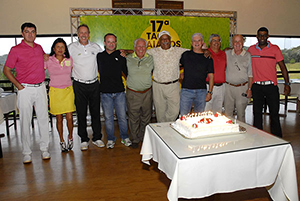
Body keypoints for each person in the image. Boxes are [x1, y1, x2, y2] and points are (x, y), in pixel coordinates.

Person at [3, 22, 50, 164]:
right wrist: (18, 85)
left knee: (43, 119)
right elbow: (6, 70)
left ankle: (44, 149)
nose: (30, 34)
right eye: (27, 31)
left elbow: (43, 58)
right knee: (25, 121)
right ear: (22, 33)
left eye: (33, 31)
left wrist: (46, 57)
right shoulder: (15, 49)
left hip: (41, 87)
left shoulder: (39, 48)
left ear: (36, 33)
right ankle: (26, 152)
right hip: (25, 89)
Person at [248, 27, 290, 137]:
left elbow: (283, 67)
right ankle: (257, 138)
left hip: (271, 87)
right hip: (256, 87)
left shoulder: (275, 49)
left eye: (264, 35)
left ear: (268, 36)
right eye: (260, 35)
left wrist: (287, 83)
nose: (262, 37)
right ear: (257, 37)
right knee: (257, 114)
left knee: (274, 114)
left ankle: (277, 139)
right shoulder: (251, 50)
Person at [68, 24, 104, 150]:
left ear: (89, 34)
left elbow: (104, 60)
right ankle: (83, 139)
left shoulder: (96, 47)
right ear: (77, 34)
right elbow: (62, 60)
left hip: (94, 84)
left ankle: (97, 137)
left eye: (86, 32)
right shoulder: (71, 48)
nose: (83, 35)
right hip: (79, 85)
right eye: (81, 33)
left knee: (96, 113)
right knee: (81, 113)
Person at [97, 33, 132, 149]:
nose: (111, 44)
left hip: (119, 93)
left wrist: (126, 53)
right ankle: (111, 139)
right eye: (109, 42)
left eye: (113, 42)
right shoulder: (99, 56)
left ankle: (125, 137)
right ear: (104, 43)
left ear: (116, 43)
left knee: (122, 117)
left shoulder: (121, 56)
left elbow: (127, 72)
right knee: (108, 118)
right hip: (105, 93)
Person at [147, 30, 188, 122]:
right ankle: (163, 130)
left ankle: (166, 123)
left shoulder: (178, 51)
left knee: (174, 111)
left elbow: (195, 51)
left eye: (167, 38)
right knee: (159, 112)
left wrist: (206, 51)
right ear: (159, 41)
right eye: (162, 39)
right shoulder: (153, 51)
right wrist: (125, 51)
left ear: (170, 40)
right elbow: (139, 52)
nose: (165, 41)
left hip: (173, 85)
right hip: (158, 86)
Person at [45, 38, 75, 152]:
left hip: (68, 90)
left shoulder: (69, 59)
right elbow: (40, 69)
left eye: (62, 47)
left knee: (70, 117)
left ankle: (70, 137)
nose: (60, 49)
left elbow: (71, 70)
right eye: (58, 47)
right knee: (58, 118)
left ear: (65, 49)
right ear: (54, 48)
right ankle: (62, 140)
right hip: (55, 91)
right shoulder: (48, 60)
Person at [126, 38, 154, 149]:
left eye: (143, 46)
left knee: (146, 117)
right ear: (134, 47)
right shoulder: (127, 59)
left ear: (146, 48)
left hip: (147, 93)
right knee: (133, 118)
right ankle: (134, 139)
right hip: (132, 93)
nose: (141, 49)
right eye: (138, 46)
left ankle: (144, 137)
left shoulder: (151, 59)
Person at [179, 33, 214, 116]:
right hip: (186, 91)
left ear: (202, 42)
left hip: (201, 92)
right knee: (184, 117)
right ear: (191, 43)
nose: (197, 43)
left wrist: (210, 92)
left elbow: (211, 76)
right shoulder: (185, 55)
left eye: (199, 40)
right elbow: (177, 66)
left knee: (199, 118)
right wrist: (180, 75)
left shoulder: (207, 57)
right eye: (195, 41)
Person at [224, 34, 253, 122]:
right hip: (228, 88)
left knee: (241, 114)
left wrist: (249, 89)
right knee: (227, 114)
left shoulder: (248, 55)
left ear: (243, 42)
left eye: (239, 41)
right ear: (232, 43)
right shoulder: (227, 54)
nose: (237, 43)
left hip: (242, 88)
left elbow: (250, 75)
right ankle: (228, 133)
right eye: (235, 41)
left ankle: (241, 133)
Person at [205, 34, 226, 114]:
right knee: (206, 112)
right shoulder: (205, 54)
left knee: (218, 112)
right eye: (214, 40)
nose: (216, 42)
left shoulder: (224, 54)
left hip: (221, 87)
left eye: (218, 40)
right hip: (208, 87)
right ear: (209, 42)